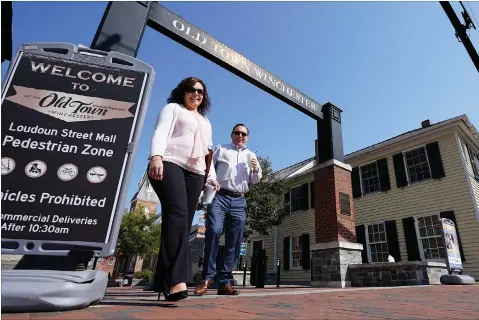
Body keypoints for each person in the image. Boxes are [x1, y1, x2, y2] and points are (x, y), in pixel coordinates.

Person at [148, 77, 220, 301]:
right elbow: (161, 131)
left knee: (179, 221)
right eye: (191, 90)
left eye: (200, 91)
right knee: (178, 215)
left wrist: (211, 177)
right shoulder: (173, 109)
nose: (195, 94)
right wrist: (156, 157)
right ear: (182, 92)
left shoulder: (206, 121)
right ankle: (177, 280)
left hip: (196, 173)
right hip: (170, 163)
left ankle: (161, 279)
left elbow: (208, 152)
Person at [195, 124, 262, 296]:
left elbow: (254, 181)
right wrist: (208, 183)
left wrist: (255, 169)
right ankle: (208, 277)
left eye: (244, 134)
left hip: (239, 200)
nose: (240, 135)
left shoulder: (251, 155)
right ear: (232, 134)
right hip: (220, 196)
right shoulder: (221, 149)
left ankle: (225, 281)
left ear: (247, 137)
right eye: (237, 132)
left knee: (234, 241)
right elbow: (208, 167)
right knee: (214, 231)